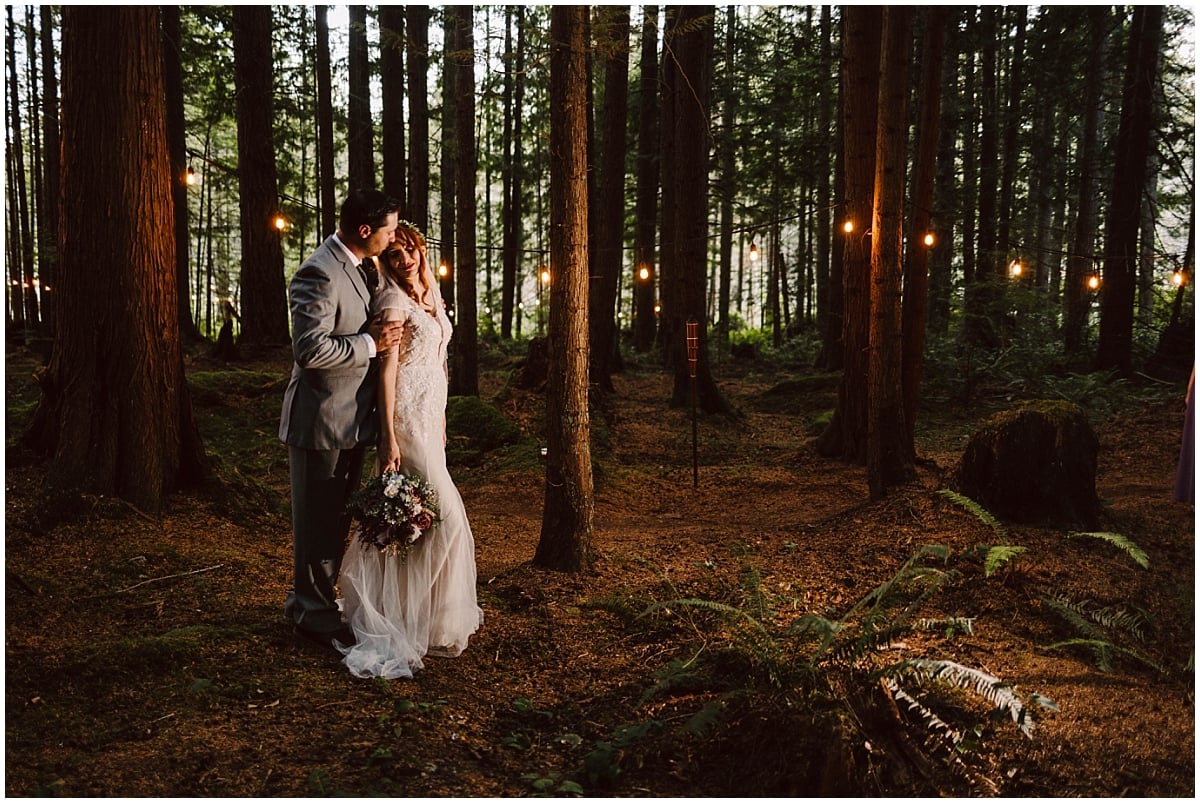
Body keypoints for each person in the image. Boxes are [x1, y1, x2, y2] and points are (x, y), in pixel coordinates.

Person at [337, 221, 483, 679]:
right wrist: (389, 437)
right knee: (441, 519)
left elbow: (439, 360)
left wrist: (440, 419)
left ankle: (428, 615)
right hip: (404, 419)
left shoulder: (432, 296)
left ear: (419, 248)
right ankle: (398, 617)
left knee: (426, 521)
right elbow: (386, 372)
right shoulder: (393, 302)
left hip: (430, 416)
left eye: (407, 252)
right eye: (393, 256)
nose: (403, 262)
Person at [279, 189, 405, 652]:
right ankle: (314, 618)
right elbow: (310, 351)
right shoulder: (319, 271)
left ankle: (304, 602)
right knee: (318, 523)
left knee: (331, 522)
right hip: (321, 422)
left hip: (350, 420)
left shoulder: (360, 266)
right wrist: (370, 344)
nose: (394, 237)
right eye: (389, 228)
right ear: (366, 230)